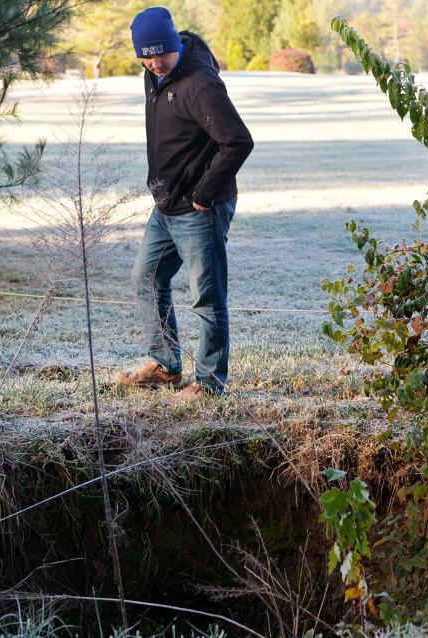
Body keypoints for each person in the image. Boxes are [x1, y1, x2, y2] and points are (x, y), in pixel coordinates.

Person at [113, 6, 253, 399]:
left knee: (206, 297)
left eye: (162, 54)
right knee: (147, 276)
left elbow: (239, 141)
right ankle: (166, 365)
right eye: (146, 55)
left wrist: (205, 195)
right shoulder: (154, 74)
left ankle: (209, 383)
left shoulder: (200, 84)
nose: (155, 62)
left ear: (176, 45)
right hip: (166, 205)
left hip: (199, 209)